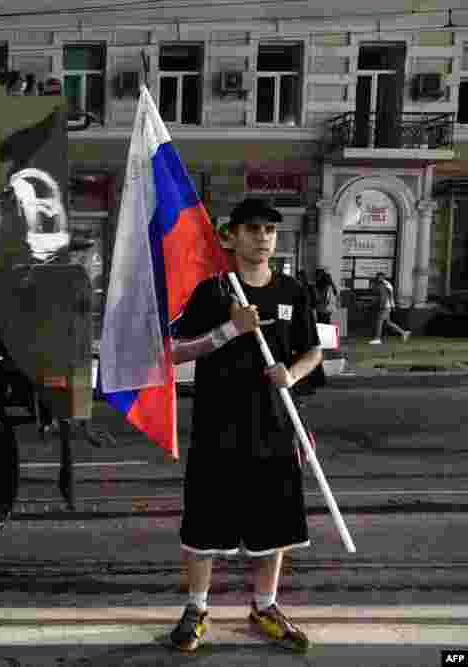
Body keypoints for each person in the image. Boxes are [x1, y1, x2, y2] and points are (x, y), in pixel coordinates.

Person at [167, 198, 322, 654]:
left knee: (274, 521)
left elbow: (312, 350)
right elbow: (175, 352)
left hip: (275, 425)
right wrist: (228, 332)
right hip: (219, 424)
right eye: (252, 229)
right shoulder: (213, 291)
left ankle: (265, 606)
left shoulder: (294, 290)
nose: (262, 238)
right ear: (230, 237)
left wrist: (291, 374)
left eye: (270, 230)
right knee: (205, 521)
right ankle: (196, 609)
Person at [370, 272, 410, 344]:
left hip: (384, 306)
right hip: (387, 306)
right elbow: (388, 296)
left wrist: (387, 306)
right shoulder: (384, 284)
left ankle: (377, 338)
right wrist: (392, 306)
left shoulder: (384, 285)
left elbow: (385, 297)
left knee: (379, 322)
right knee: (388, 323)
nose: (378, 278)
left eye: (379, 277)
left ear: (382, 277)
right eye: (377, 277)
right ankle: (403, 333)